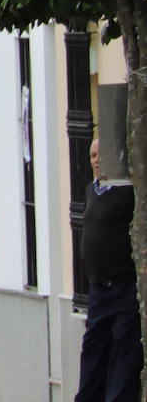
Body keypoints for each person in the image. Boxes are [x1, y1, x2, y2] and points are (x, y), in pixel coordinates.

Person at [75, 137, 141, 402]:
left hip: (124, 285)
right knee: (93, 349)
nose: (96, 160)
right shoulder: (92, 189)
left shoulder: (129, 189)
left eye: (102, 154)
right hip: (98, 288)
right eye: (92, 155)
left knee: (123, 353)